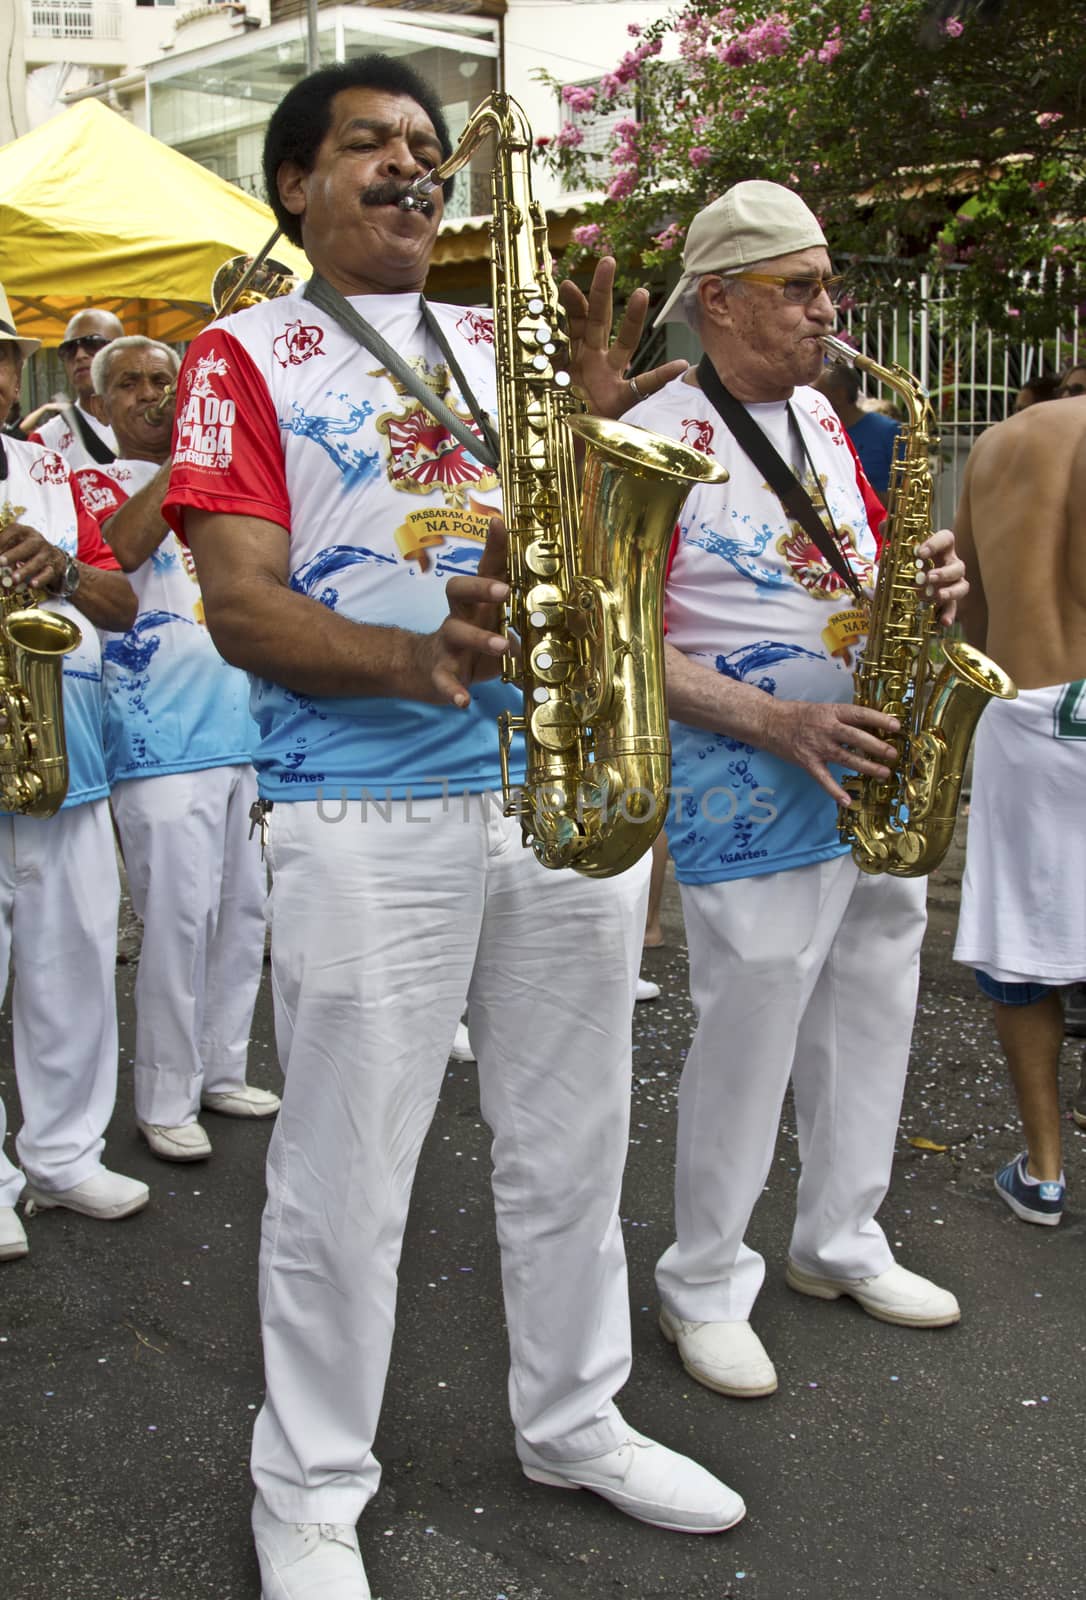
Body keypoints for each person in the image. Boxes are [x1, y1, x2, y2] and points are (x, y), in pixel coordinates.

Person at [162, 55, 743, 1600]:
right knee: (349, 1170)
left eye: (427, 149)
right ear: (297, 182)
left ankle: (575, 1418)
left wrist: (593, 444)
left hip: (546, 796)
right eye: (370, 145)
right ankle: (308, 1486)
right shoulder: (241, 353)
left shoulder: (503, 348)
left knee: (569, 1146)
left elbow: (549, 556)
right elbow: (238, 605)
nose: (413, 168)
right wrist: (417, 659)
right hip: (361, 808)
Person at [615, 180, 967, 1400]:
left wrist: (930, 578)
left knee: (874, 992)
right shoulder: (655, 435)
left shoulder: (824, 418)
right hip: (747, 768)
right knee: (755, 1017)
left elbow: (853, 559)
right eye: (801, 287)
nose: (829, 308)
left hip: (865, 752)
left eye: (828, 284)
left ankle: (839, 1235)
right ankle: (702, 1279)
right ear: (717, 299)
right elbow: (620, 639)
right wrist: (776, 715)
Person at [72, 335, 274, 1164]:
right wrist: (191, 438)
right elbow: (118, 551)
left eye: (167, 379)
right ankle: (163, 1095)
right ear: (101, 404)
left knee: (244, 914)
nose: (153, 393)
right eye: (132, 384)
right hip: (157, 745)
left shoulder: (211, 469)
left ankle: (221, 1069)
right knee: (177, 923)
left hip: (244, 732)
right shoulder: (88, 483)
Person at [0, 286, 147, 1261]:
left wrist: (55, 570)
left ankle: (60, 1153)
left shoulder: (47, 469)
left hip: (65, 750)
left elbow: (122, 599)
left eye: (4, 355)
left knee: (75, 959)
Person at [951, 395, 1086, 1225]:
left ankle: (1042, 1170)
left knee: (1021, 940)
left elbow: (966, 610)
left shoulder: (999, 442)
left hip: (1017, 707)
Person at [27, 308, 124, 468]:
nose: (80, 355)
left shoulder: (156, 427)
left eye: (92, 344)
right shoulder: (44, 442)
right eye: (70, 349)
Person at [814, 358, 902, 500]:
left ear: (839, 395)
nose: (810, 400)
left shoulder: (888, 431)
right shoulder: (817, 432)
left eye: (816, 393)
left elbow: (915, 495)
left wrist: (866, 492)